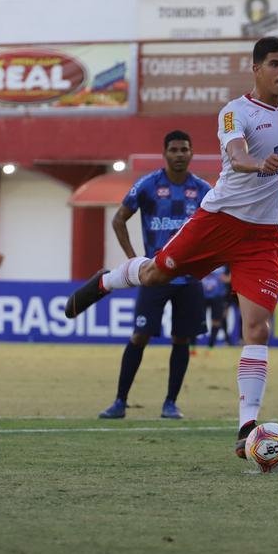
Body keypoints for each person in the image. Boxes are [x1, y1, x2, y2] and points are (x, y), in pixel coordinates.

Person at [65, 35, 278, 458]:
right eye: (275, 64)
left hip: (261, 236)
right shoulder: (235, 113)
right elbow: (235, 157)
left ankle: (247, 426)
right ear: (256, 69)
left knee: (257, 328)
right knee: (156, 273)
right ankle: (105, 282)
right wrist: (260, 164)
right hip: (217, 221)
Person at [96, 130, 212, 420]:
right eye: (173, 150)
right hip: (155, 276)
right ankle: (120, 402)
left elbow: (217, 227)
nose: (179, 154)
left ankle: (170, 404)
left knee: (182, 339)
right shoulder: (148, 185)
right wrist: (135, 261)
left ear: (191, 153)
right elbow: (119, 218)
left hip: (188, 278)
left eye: (184, 149)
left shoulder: (202, 190)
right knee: (140, 336)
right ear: (165, 153)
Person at [201, 265, 234, 348]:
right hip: (202, 295)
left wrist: (226, 279)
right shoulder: (204, 259)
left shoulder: (225, 264)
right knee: (199, 318)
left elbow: (230, 277)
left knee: (217, 320)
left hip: (218, 296)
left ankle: (211, 343)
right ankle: (192, 343)